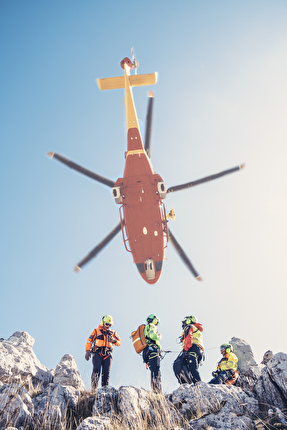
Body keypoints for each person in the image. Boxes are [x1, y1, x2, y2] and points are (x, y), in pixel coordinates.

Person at [85, 315, 121, 391]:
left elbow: (119, 342)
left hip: (108, 353)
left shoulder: (113, 332)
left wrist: (114, 340)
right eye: (106, 324)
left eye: (109, 324)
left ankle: (105, 390)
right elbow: (89, 341)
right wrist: (87, 351)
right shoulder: (96, 331)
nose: (108, 326)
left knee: (106, 372)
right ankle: (93, 390)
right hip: (97, 352)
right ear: (103, 322)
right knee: (96, 370)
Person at [173, 315, 204, 385]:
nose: (184, 323)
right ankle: (192, 382)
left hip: (191, 348)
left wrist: (185, 350)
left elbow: (188, 338)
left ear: (190, 320)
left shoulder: (189, 327)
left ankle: (197, 383)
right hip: (198, 351)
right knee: (190, 367)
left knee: (178, 364)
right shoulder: (197, 329)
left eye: (185, 321)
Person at [142, 314, 162, 393]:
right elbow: (153, 336)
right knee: (156, 370)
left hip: (146, 352)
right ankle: (157, 391)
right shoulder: (151, 326)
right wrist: (159, 336)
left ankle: (155, 390)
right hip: (152, 350)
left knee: (153, 371)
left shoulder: (145, 327)